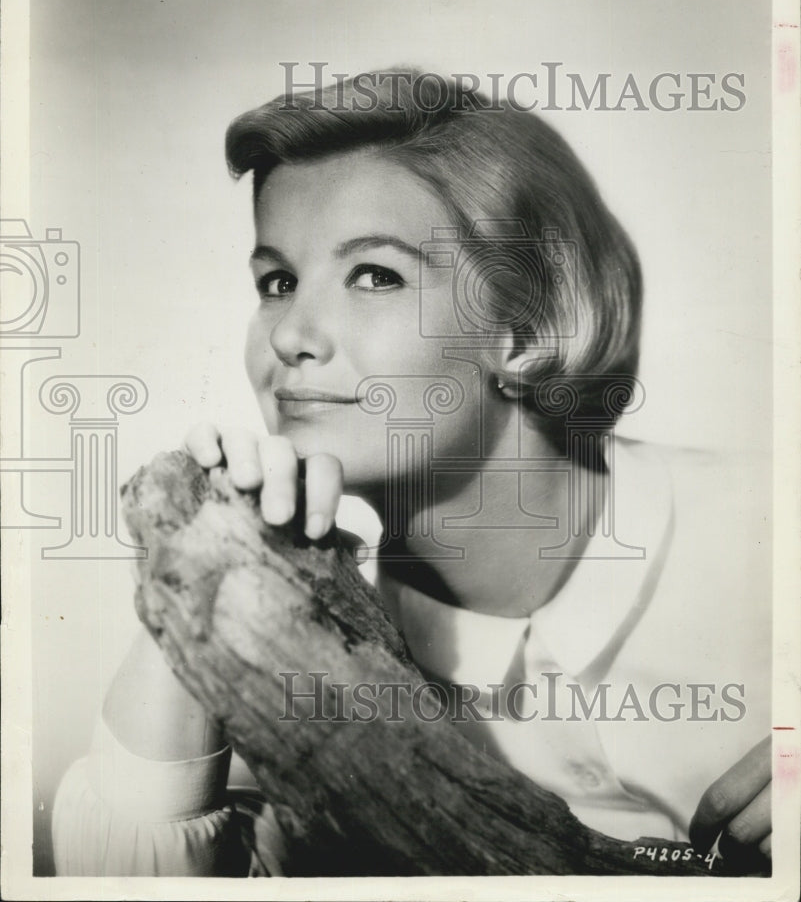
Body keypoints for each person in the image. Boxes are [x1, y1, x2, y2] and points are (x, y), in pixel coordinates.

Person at [53, 69, 772, 876]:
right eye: (278, 282)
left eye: (375, 276)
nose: (291, 332)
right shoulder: (302, 640)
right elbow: (121, 883)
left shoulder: (770, 524)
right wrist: (203, 580)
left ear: (526, 328)